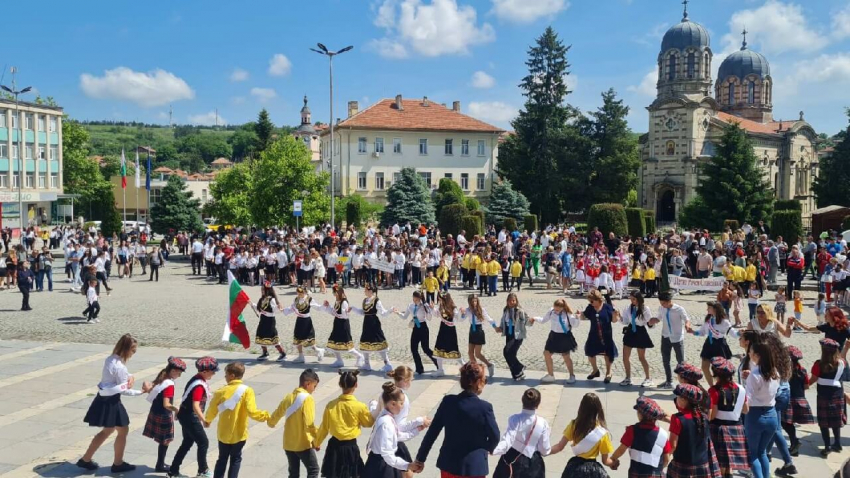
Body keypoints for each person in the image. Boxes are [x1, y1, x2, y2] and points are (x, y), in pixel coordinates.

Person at [78, 334, 152, 473]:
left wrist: (130, 376)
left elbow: (123, 376)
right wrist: (142, 392)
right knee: (122, 430)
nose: (133, 353)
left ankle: (86, 459)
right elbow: (124, 390)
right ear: (126, 349)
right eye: (133, 350)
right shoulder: (120, 367)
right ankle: (117, 463)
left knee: (108, 430)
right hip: (112, 402)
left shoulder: (110, 359)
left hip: (102, 399)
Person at [412, 362, 500, 477]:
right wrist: (486, 449)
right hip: (474, 467)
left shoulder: (448, 402)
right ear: (478, 382)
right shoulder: (484, 408)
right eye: (484, 380)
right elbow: (495, 436)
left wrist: (420, 458)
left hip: (449, 464)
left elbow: (432, 432)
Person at [204, 361, 270, 478]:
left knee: (222, 459)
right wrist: (265, 416)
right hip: (240, 433)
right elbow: (252, 411)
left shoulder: (220, 392)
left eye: (226, 375)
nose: (225, 377)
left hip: (224, 433)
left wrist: (208, 420)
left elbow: (212, 410)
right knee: (236, 459)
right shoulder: (247, 391)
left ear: (232, 375)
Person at [314, 370, 375, 478]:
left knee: (334, 474)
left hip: (334, 446)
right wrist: (373, 410)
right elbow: (368, 423)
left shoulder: (331, 405)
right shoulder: (359, 406)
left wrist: (317, 442)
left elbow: (324, 427)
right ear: (356, 385)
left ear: (340, 384)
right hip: (350, 447)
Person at [168, 356, 217, 478]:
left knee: (187, 442)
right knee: (203, 442)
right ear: (204, 372)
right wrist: (203, 420)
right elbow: (195, 405)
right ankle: (203, 470)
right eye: (213, 371)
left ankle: (173, 471)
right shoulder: (199, 385)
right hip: (190, 416)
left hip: (185, 415)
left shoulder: (197, 379)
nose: (215, 373)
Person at [363, 382, 425, 477]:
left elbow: (397, 436)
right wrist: (408, 465)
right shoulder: (386, 423)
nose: (402, 406)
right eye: (401, 403)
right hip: (382, 467)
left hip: (379, 463)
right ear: (393, 404)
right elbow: (388, 455)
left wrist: (417, 430)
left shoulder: (386, 417)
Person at [267, 369, 321, 478]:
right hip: (303, 443)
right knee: (313, 470)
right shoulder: (308, 399)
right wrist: (316, 440)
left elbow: (276, 414)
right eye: (314, 386)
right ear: (308, 384)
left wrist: (271, 423)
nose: (314, 390)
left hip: (288, 443)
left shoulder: (288, 397)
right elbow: (309, 423)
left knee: (293, 473)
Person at [549, 392, 615, 477]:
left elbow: (559, 446)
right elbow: (605, 461)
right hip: (593, 471)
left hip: (575, 468)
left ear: (581, 408)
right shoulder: (602, 433)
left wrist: (545, 451)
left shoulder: (574, 425)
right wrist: (613, 463)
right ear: (598, 409)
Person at [743, 339, 782, 478]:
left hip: (755, 416)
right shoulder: (775, 372)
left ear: (758, 355)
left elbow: (748, 399)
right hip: (771, 415)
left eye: (752, 352)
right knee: (762, 452)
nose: (749, 354)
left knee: (752, 454)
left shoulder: (755, 375)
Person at [491, 388, 551, 478]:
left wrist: (493, 450)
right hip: (533, 462)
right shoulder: (542, 423)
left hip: (512, 457)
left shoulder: (515, 419)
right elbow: (544, 450)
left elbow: (508, 440)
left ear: (522, 400)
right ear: (538, 404)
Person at [608, 397, 671, 478]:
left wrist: (613, 458)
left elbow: (621, 450)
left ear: (640, 414)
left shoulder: (632, 430)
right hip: (655, 474)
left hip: (636, 473)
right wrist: (659, 469)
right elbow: (666, 459)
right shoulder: (663, 434)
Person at [144, 357, 187, 473]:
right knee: (165, 440)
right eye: (179, 373)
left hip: (154, 411)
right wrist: (177, 409)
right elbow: (167, 404)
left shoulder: (162, 377)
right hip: (164, 415)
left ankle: (160, 463)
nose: (179, 375)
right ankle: (160, 464)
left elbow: (151, 389)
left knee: (162, 440)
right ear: (173, 371)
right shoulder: (169, 385)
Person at [667, 384, 720, 478]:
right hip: (702, 464)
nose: (676, 399)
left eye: (678, 397)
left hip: (682, 465)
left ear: (684, 400)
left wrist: (665, 458)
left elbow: (673, 445)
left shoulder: (677, 419)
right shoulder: (704, 416)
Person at [707, 357, 749, 478]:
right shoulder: (741, 389)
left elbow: (712, 414)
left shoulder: (714, 390)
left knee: (719, 463)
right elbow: (746, 410)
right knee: (729, 463)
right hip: (736, 427)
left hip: (719, 428)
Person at [809, 338, 849, 457]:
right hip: (837, 394)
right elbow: (842, 359)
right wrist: (846, 348)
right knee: (836, 420)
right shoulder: (842, 362)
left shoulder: (818, 364)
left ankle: (827, 446)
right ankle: (837, 443)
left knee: (823, 422)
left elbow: (813, 379)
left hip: (823, 396)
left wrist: (804, 385)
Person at [350, 283, 394, 372]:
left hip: (374, 324)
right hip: (366, 323)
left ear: (370, 291)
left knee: (379, 343)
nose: (364, 291)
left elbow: (383, 313)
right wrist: (353, 308)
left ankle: (388, 364)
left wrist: (390, 310)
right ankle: (367, 364)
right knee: (365, 342)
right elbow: (363, 312)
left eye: (366, 290)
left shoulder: (377, 300)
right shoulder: (365, 300)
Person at [535, 298, 580, 384]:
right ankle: (551, 375)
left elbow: (575, 324)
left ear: (562, 308)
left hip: (564, 336)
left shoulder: (567, 314)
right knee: (547, 353)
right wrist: (535, 318)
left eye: (558, 309)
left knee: (566, 356)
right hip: (553, 336)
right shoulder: (551, 311)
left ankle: (572, 375)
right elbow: (543, 320)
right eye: (555, 308)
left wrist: (577, 317)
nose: (556, 311)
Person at [689, 302, 733, 387]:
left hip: (719, 345)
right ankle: (711, 386)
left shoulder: (724, 322)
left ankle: (721, 386)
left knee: (719, 369)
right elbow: (702, 332)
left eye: (709, 308)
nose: (707, 309)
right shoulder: (708, 320)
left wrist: (739, 334)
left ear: (715, 309)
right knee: (704, 367)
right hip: (709, 344)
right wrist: (693, 332)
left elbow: (732, 332)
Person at [321, 285, 366, 369]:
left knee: (347, 344)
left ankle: (359, 356)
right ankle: (339, 360)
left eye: (335, 292)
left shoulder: (344, 302)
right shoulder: (337, 301)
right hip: (337, 323)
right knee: (334, 343)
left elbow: (344, 315)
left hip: (343, 324)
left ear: (339, 292)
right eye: (334, 292)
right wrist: (328, 306)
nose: (334, 294)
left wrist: (336, 313)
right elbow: (333, 312)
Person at [396, 291, 437, 375]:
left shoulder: (424, 306)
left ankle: (437, 363)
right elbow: (404, 317)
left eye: (415, 298)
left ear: (419, 298)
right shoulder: (410, 306)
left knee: (425, 349)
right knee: (413, 348)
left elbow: (429, 318)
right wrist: (397, 312)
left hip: (423, 327)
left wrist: (430, 309)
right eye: (413, 297)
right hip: (415, 328)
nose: (414, 299)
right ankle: (419, 368)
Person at [619, 291, 655, 387]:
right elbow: (626, 321)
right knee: (625, 357)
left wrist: (652, 323)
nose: (632, 301)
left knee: (641, 357)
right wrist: (619, 317)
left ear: (638, 299)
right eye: (631, 299)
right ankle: (628, 378)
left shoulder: (645, 309)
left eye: (633, 299)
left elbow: (649, 322)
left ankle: (648, 378)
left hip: (640, 332)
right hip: (631, 331)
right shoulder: (628, 308)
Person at [581, 289, 618, 383]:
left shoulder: (607, 307)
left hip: (606, 334)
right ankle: (595, 370)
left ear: (598, 299)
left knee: (607, 354)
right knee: (590, 352)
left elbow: (614, 321)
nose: (591, 303)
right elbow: (584, 317)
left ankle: (608, 373)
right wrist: (580, 314)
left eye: (592, 301)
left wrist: (615, 315)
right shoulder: (590, 307)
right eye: (590, 301)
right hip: (593, 334)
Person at [783, 346, 814, 457]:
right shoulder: (803, 371)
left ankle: (794, 442)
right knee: (789, 423)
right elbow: (806, 386)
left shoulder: (785, 372)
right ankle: (794, 444)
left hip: (788, 400)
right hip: (800, 399)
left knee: (785, 423)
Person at [282, 287, 327, 364]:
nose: (299, 295)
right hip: (299, 321)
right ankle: (301, 356)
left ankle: (319, 350)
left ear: (305, 292)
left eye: (301, 293)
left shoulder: (309, 299)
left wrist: (324, 306)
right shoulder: (296, 299)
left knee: (308, 339)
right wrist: (283, 310)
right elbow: (291, 308)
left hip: (307, 321)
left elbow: (318, 307)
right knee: (298, 338)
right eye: (298, 293)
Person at [657, 291, 689, 389]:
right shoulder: (661, 308)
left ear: (669, 301)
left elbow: (686, 319)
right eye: (661, 303)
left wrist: (687, 325)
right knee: (665, 360)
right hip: (665, 336)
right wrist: (652, 321)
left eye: (663, 303)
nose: (662, 305)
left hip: (677, 338)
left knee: (680, 361)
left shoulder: (679, 309)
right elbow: (658, 318)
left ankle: (685, 382)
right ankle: (669, 381)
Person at [459, 294, 497, 377]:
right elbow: (461, 319)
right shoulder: (468, 310)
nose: (474, 303)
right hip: (472, 331)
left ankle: (489, 364)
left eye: (475, 301)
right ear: (469, 302)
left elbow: (489, 319)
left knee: (477, 354)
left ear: (477, 301)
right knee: (470, 352)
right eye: (472, 301)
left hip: (479, 331)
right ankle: (476, 370)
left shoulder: (482, 310)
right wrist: (462, 313)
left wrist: (495, 327)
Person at [497, 292, 532, 381]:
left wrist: (531, 321)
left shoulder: (520, 311)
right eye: (509, 301)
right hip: (508, 333)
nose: (511, 302)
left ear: (516, 301)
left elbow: (526, 321)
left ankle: (520, 367)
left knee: (506, 351)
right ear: (507, 301)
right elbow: (503, 320)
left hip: (517, 334)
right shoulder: (505, 310)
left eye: (513, 300)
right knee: (510, 354)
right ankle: (517, 374)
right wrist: (500, 328)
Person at [251, 281, 286, 361]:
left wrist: (279, 308)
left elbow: (274, 311)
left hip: (270, 321)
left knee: (273, 336)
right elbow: (260, 308)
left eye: (263, 290)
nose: (262, 291)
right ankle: (265, 353)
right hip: (263, 320)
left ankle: (282, 353)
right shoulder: (262, 299)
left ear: (267, 290)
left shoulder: (271, 300)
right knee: (261, 335)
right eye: (261, 290)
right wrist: (252, 304)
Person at [432, 292, 464, 376]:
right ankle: (440, 370)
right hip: (442, 329)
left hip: (450, 331)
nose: (439, 300)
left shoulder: (453, 308)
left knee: (454, 349)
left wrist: (461, 313)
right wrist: (432, 308)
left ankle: (464, 367)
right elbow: (436, 314)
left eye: (440, 299)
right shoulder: (440, 306)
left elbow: (458, 319)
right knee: (439, 348)